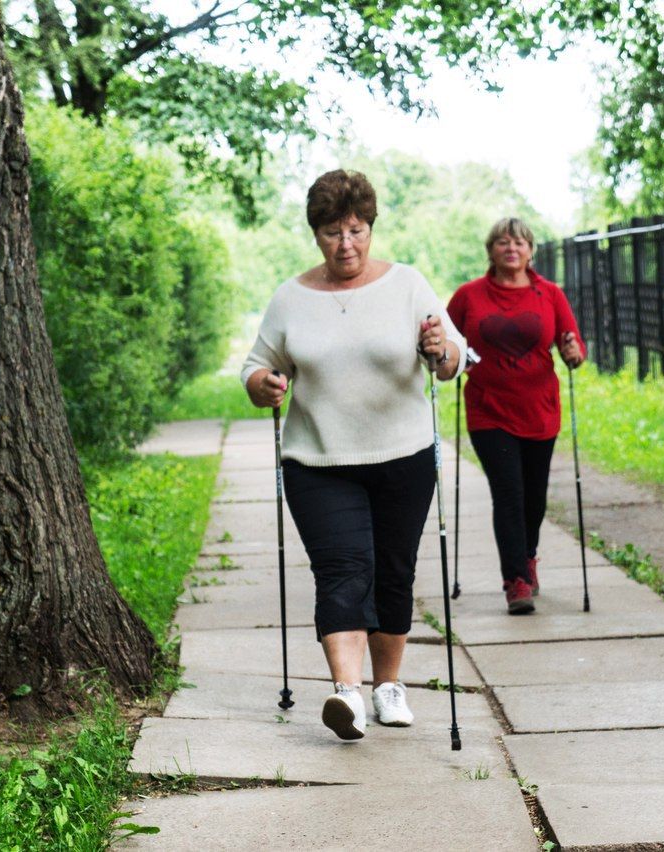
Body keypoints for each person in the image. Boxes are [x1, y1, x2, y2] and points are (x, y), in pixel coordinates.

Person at [241, 170, 465, 741]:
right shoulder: (291, 298)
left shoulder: (407, 285)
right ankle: (347, 694)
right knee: (342, 571)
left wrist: (441, 350)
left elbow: (452, 357)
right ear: (316, 235)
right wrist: (264, 384)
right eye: (332, 233)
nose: (346, 244)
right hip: (318, 462)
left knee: (393, 571)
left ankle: (388, 687)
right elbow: (257, 366)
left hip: (403, 455)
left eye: (356, 230)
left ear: (370, 228)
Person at [447, 217, 585, 615]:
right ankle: (516, 580)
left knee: (534, 498)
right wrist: (451, 359)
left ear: (530, 251)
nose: (512, 248)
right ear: (490, 250)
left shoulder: (550, 294)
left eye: (520, 242)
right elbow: (447, 341)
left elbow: (573, 346)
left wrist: (574, 353)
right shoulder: (469, 296)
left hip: (540, 410)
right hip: (488, 410)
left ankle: (527, 557)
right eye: (503, 242)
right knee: (508, 493)